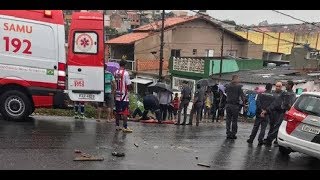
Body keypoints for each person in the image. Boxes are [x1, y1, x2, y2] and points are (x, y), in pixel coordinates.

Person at [263, 80, 296, 146]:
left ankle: (271, 140)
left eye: (286, 84)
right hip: (281, 112)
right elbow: (276, 102)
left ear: (290, 86)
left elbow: (289, 105)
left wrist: (288, 106)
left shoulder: (291, 94)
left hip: (286, 113)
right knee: (276, 126)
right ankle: (271, 140)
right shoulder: (285, 93)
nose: (285, 86)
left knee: (279, 127)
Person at [114, 60, 133, 133]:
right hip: (124, 96)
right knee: (125, 112)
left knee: (118, 112)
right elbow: (128, 84)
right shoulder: (125, 73)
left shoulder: (115, 72)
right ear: (124, 65)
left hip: (117, 95)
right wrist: (131, 88)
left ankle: (117, 126)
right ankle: (125, 127)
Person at [225, 75, 246, 139]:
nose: (239, 80)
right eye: (238, 79)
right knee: (234, 120)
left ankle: (228, 133)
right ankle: (233, 134)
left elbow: (226, 92)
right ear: (235, 79)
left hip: (228, 105)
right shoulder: (239, 87)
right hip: (235, 106)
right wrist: (244, 105)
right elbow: (242, 97)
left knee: (228, 119)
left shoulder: (227, 86)